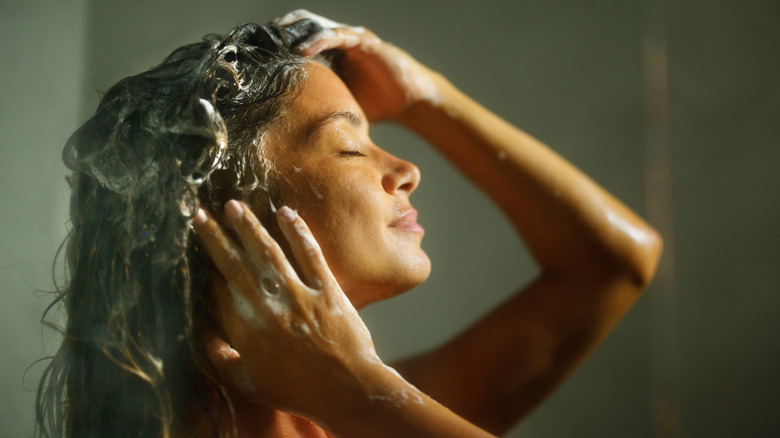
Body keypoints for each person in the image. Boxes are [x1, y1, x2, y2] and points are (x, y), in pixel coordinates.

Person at [36, 9, 662, 438]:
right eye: (351, 147)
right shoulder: (363, 409)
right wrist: (356, 393)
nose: (408, 169)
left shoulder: (352, 412)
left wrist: (429, 97)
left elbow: (615, 263)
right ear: (232, 217)